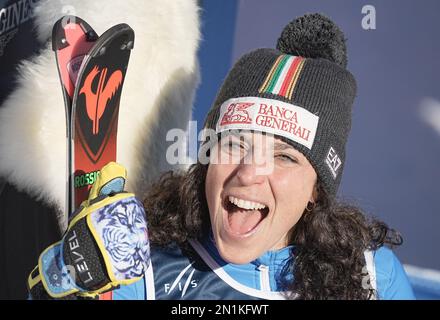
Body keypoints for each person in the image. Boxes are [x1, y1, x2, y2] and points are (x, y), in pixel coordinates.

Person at [28, 13, 415, 300]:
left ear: (317, 189)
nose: (249, 173)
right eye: (235, 144)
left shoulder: (369, 277)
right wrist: (66, 272)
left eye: (284, 157)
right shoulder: (142, 264)